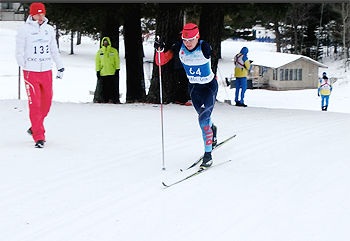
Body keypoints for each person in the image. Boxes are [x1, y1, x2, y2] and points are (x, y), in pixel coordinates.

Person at [154, 23, 218, 168]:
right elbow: (160, 61)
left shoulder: (204, 47)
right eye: (185, 40)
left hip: (209, 87)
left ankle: (208, 156)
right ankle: (212, 129)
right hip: (194, 88)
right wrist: (160, 50)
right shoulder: (179, 47)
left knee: (202, 119)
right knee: (205, 120)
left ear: (198, 37)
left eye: (191, 40)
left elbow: (211, 55)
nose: (188, 43)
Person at [15, 2, 64, 148]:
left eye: (42, 14)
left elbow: (54, 50)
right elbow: (19, 48)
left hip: (46, 70)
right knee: (35, 104)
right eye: (37, 14)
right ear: (32, 14)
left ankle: (35, 126)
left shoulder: (49, 29)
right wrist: (21, 62)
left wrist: (59, 66)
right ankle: (39, 136)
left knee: (47, 103)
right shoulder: (24, 30)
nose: (40, 17)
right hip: (31, 71)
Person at [95, 37, 120, 104]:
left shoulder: (113, 51)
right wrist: (98, 70)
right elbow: (97, 62)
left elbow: (116, 60)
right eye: (104, 42)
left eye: (106, 42)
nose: (105, 43)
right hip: (103, 72)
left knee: (112, 87)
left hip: (112, 72)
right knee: (104, 87)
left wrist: (117, 69)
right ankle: (105, 99)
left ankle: (113, 99)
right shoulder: (100, 52)